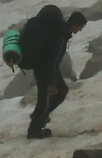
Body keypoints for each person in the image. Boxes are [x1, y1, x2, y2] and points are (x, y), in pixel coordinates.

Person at [27, 9, 87, 139]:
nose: (80, 30)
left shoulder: (61, 31)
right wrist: (51, 83)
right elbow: (53, 60)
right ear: (75, 24)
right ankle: (34, 131)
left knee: (62, 90)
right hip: (44, 68)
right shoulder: (61, 35)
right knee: (45, 99)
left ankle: (39, 118)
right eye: (80, 27)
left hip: (45, 67)